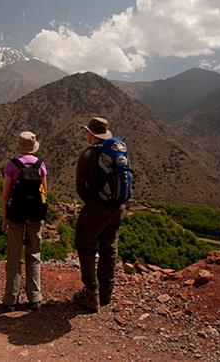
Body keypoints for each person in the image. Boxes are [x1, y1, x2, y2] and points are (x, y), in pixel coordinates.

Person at [73, 117, 125, 312]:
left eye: (87, 132)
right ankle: (106, 294)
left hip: (96, 208)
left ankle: (91, 293)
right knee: (109, 248)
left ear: (92, 134)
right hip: (118, 208)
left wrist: (93, 203)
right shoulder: (118, 153)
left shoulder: (88, 155)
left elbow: (80, 188)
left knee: (85, 245)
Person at [0, 131, 47, 312]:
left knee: (13, 256)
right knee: (34, 256)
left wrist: (4, 217)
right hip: (35, 216)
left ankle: (11, 299)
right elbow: (44, 193)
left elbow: (5, 196)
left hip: (16, 216)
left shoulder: (11, 165)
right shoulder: (41, 165)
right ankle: (34, 297)